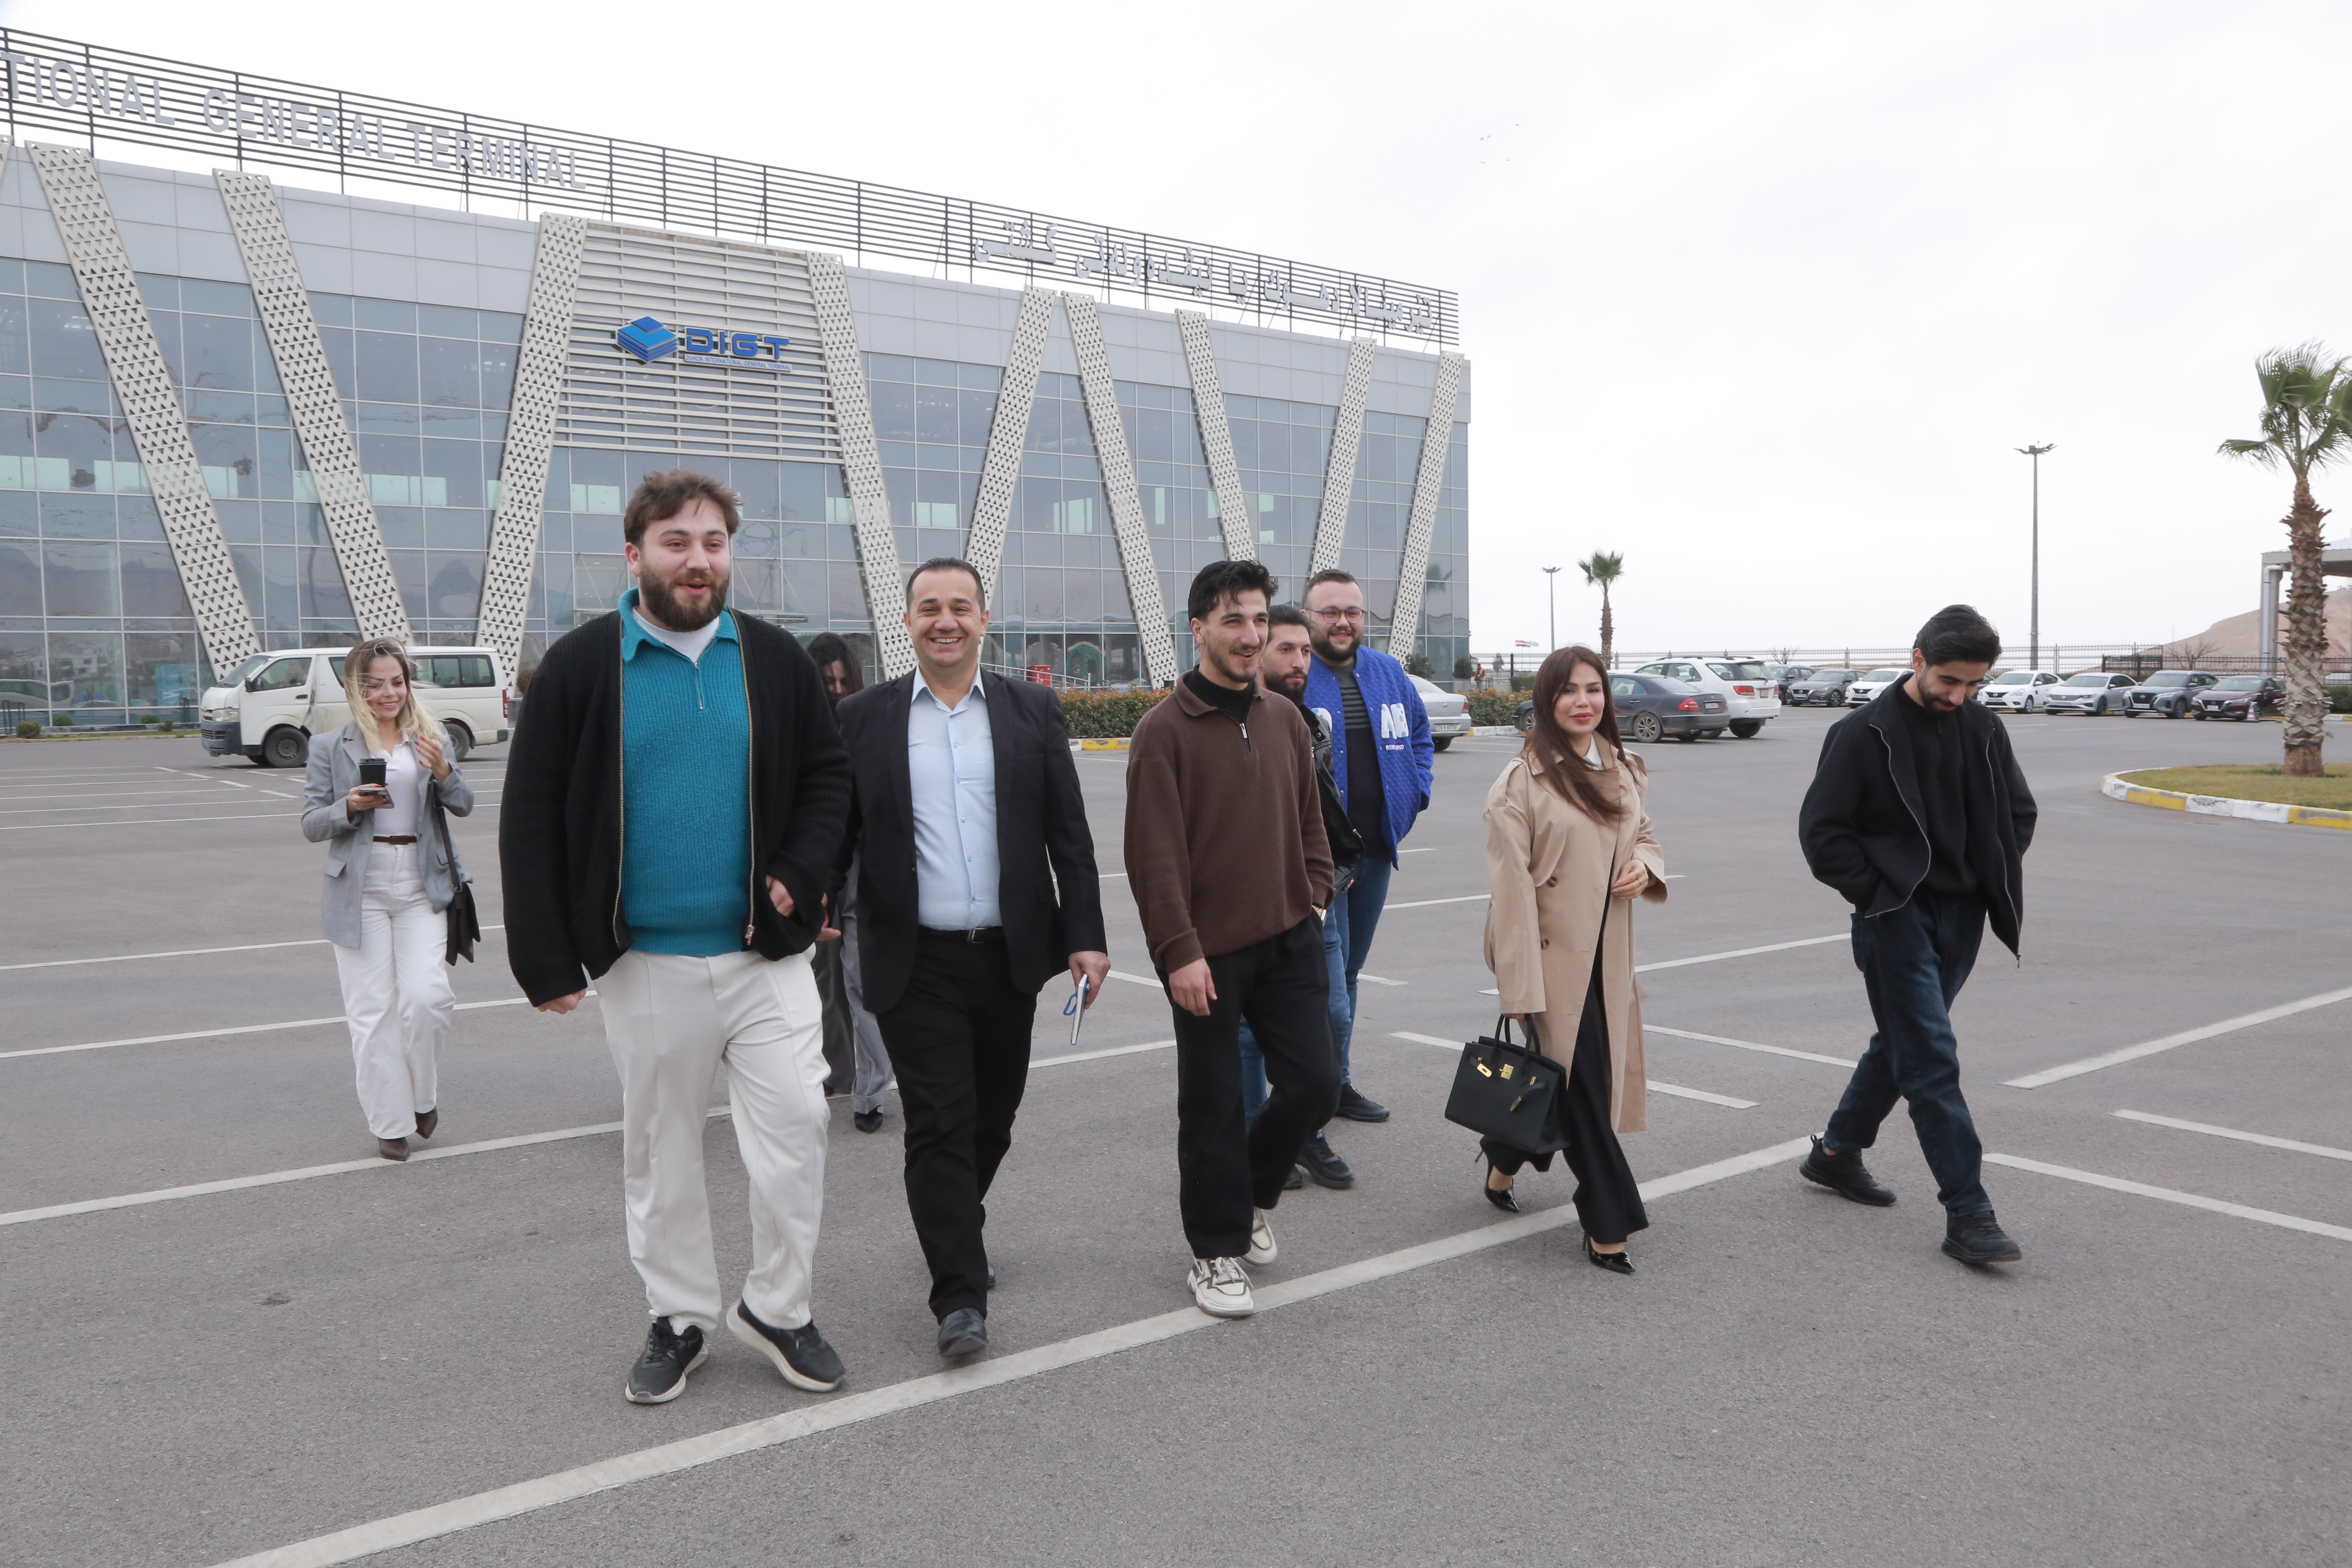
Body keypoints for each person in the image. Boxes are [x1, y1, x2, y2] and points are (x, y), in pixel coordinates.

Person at [500, 469, 854, 1405]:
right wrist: (542, 954)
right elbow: (530, 812)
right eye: (677, 543)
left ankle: (777, 1306)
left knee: (798, 1128)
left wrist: (801, 867)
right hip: (643, 961)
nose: (698, 562)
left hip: (761, 955)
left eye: (713, 544)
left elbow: (827, 780)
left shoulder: (770, 660)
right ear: (635, 555)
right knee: (661, 1153)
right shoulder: (581, 667)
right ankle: (682, 1315)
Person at [832, 557, 1109, 1361]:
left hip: (1010, 958)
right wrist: (810, 899)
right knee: (941, 1124)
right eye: (929, 608)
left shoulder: (1031, 712)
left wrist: (1085, 935)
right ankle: (958, 1295)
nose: (945, 620)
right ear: (908, 623)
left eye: (960, 606)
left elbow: (1071, 838)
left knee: (995, 1117)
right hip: (913, 959)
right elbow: (839, 828)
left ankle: (958, 1218)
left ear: (984, 620)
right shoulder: (866, 717)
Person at [1126, 559, 1338, 1319]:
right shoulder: (1164, 733)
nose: (1251, 636)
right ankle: (1215, 1252)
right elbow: (1152, 857)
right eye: (1233, 621)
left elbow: (1311, 817)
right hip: (1206, 956)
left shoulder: (1284, 718)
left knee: (1316, 1081)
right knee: (1212, 1105)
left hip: (1290, 937)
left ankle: (1252, 1194)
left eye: (1258, 620)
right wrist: (1177, 950)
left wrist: (1314, 893)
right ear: (1198, 630)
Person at [1796, 604, 2036, 1266]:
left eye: (1974, 686)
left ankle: (1838, 1152)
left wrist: (1993, 869)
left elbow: (2020, 810)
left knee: (1903, 1042)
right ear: (1918, 660)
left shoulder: (1983, 728)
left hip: (1964, 917)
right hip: (1894, 916)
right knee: (1930, 1056)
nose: (1960, 697)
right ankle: (1969, 1211)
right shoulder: (1861, 734)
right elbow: (1823, 834)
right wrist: (1879, 894)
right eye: (1950, 682)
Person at [1479, 646, 1667, 1274]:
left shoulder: (1626, 766)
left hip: (1609, 959)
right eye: (1569, 691)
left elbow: (1644, 833)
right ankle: (1608, 1221)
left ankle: (1503, 1157)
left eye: (1594, 689)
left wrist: (1647, 865)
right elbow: (1510, 897)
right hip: (1549, 960)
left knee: (1559, 1080)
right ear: (1546, 700)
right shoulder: (1519, 784)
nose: (1584, 702)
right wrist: (1521, 992)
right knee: (1584, 1087)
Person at [301, 638, 475, 1163]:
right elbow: (311, 823)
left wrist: (444, 771)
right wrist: (348, 806)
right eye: (375, 684)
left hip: (423, 881)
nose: (388, 693)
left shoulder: (431, 736)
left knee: (428, 999)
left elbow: (463, 804)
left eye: (396, 682)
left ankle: (423, 1096)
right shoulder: (331, 746)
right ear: (357, 688)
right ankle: (391, 1122)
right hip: (361, 886)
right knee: (372, 1012)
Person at [1299, 568, 1433, 1125]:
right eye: (1329, 611)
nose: (1342, 621)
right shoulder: (1296, 675)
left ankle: (1339, 1081)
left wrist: (1416, 793)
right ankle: (1309, 1088)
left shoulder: (1387, 673)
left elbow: (1421, 737)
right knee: (1325, 986)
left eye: (1352, 611)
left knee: (1350, 973)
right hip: (1320, 860)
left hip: (1376, 853)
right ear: (1308, 617)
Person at [1238, 603, 1363, 1190]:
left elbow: (1324, 808)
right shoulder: (1234, 723)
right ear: (1257, 650)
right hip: (1253, 908)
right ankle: (1255, 1135)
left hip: (1318, 902)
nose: (1299, 660)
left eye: (1305, 651)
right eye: (1286, 649)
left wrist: (1328, 879)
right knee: (1247, 1036)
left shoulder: (1314, 723)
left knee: (1334, 1016)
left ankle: (1302, 1128)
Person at [805, 630, 894, 1131]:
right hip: (814, 871)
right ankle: (837, 1071)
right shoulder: (802, 725)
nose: (837, 689)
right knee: (824, 985)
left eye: (844, 679)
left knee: (860, 987)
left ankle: (870, 1093)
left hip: (858, 876)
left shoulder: (865, 721)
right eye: (828, 681)